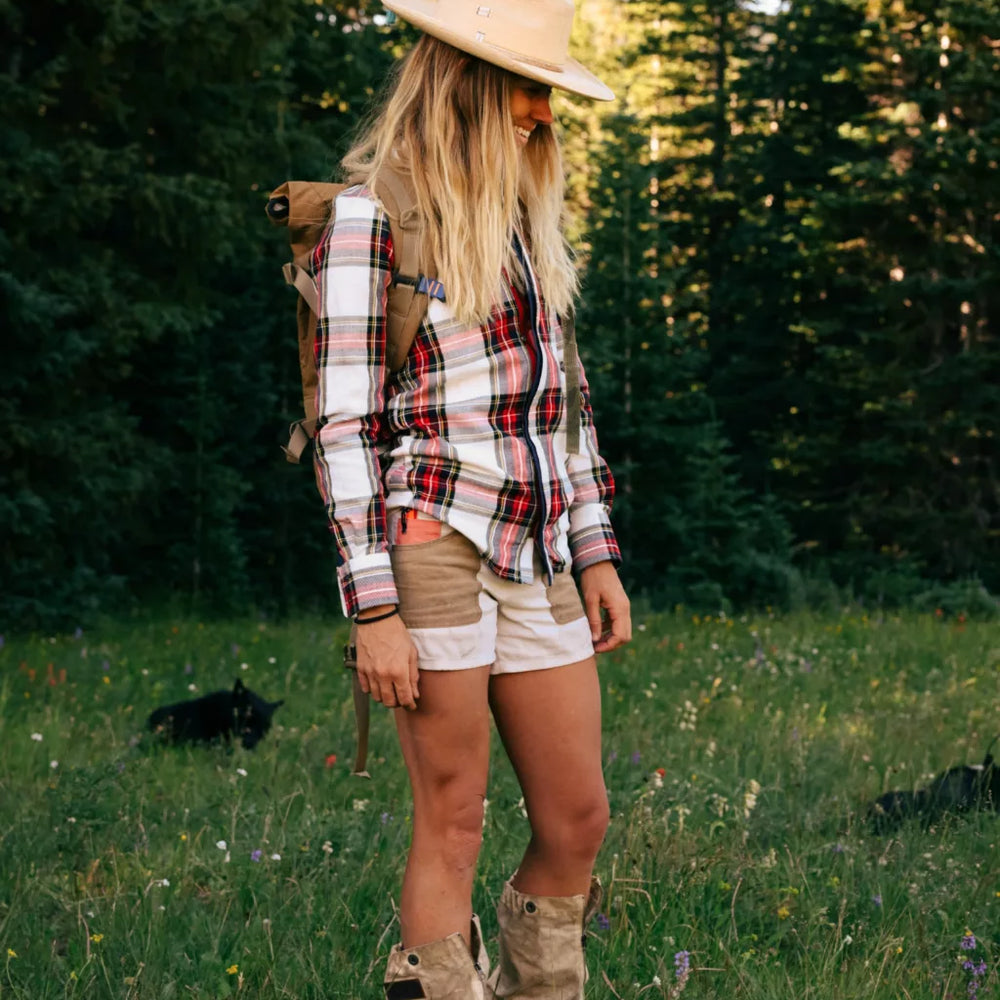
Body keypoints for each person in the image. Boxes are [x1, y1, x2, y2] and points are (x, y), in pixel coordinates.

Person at [311, 1, 631, 995]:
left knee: (578, 817)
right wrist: (373, 607)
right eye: (530, 88)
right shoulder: (371, 216)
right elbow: (346, 424)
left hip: (538, 547)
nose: (543, 113)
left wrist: (594, 546)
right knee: (453, 817)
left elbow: (561, 402)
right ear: (469, 83)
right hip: (431, 536)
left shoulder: (528, 223)